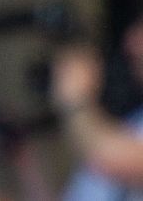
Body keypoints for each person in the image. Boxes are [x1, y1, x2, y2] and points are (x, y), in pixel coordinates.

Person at [52, 13, 143, 200]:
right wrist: (23, 160)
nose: (130, 41)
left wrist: (76, 98)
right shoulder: (134, 121)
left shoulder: (109, 142)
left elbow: (107, 158)